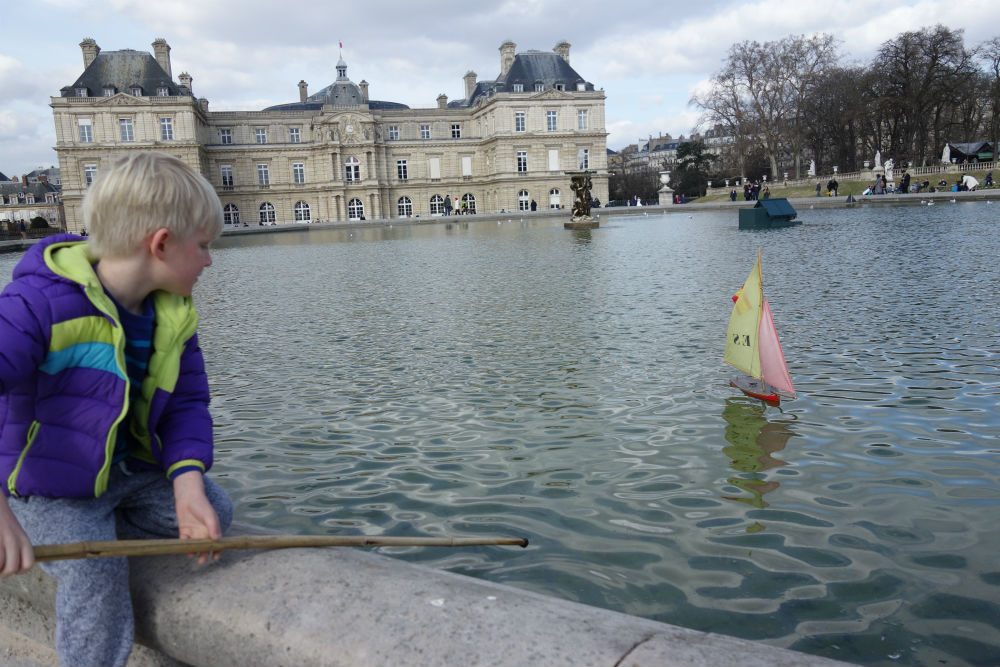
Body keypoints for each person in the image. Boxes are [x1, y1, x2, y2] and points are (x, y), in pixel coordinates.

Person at [0, 152, 233, 667]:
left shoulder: (171, 314)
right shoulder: (36, 304)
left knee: (218, 511)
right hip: (50, 487)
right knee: (95, 575)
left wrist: (187, 481)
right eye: (204, 246)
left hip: (123, 474)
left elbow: (187, 405)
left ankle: (112, 522)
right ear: (161, 243)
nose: (209, 261)